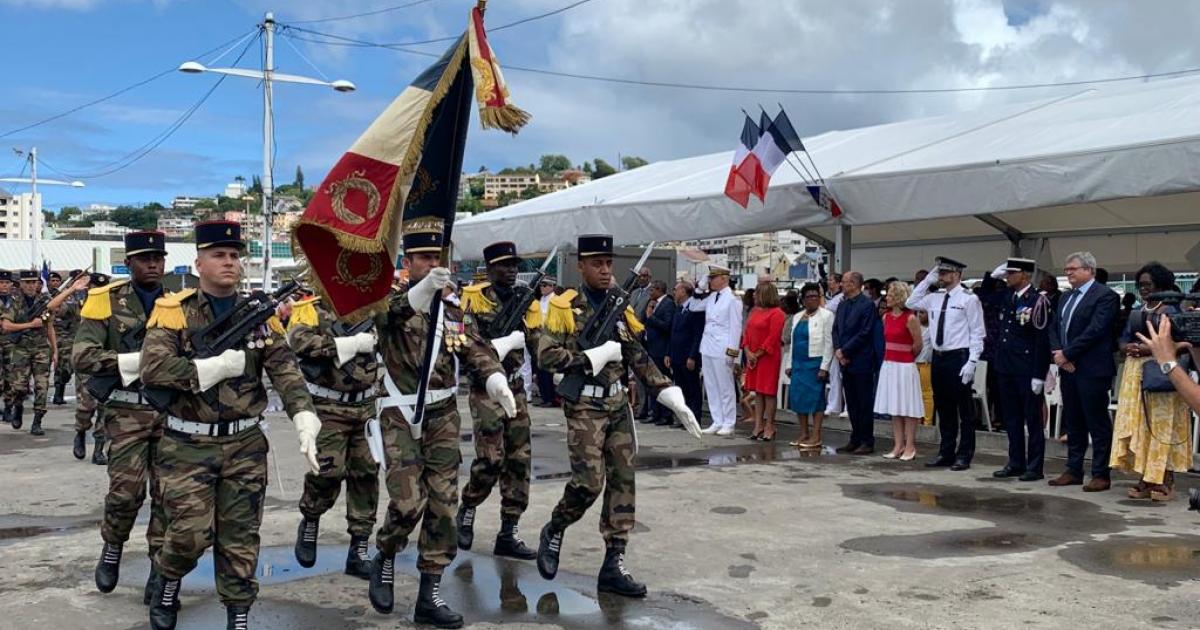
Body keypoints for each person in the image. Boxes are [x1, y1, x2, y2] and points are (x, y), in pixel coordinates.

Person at [139, 221, 322, 630]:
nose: (229, 262)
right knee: (188, 535)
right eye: (219, 255)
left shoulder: (259, 316)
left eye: (235, 255)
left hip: (244, 444)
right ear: (199, 262)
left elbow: (286, 371)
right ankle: (168, 580)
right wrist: (211, 368)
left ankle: (237, 615)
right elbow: (153, 369)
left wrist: (304, 416)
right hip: (187, 444)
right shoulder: (174, 311)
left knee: (241, 538)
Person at [367, 218, 514, 628]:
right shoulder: (391, 302)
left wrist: (495, 377)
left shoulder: (452, 307)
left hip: (442, 415)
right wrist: (423, 290)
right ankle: (386, 552)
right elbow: (388, 316)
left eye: (437, 256)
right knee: (408, 502)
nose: (433, 263)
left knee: (443, 506)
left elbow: (474, 348)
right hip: (399, 413)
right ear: (408, 261)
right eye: (424, 258)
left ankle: (429, 592)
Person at [535, 234, 699, 599]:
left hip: (617, 405)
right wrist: (589, 359)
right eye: (597, 264)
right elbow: (545, 356)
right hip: (584, 406)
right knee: (589, 482)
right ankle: (556, 526)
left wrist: (666, 391)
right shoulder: (565, 307)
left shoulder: (619, 306)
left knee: (623, 483)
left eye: (609, 263)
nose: (606, 270)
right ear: (581, 266)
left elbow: (636, 354)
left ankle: (613, 562)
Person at [72, 231, 170, 601]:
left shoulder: (179, 304)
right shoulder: (105, 302)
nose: (153, 264)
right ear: (128, 263)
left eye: (158, 258)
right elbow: (81, 356)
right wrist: (129, 362)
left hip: (168, 412)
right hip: (125, 411)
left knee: (168, 495)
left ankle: (159, 569)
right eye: (145, 258)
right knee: (126, 493)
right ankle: (113, 545)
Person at [455, 241, 542, 562]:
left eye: (514, 265)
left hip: (516, 388)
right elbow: (466, 344)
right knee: (490, 459)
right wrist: (502, 345)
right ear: (489, 269)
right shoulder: (473, 301)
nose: (510, 270)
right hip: (485, 390)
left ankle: (509, 531)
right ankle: (468, 506)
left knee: (519, 460)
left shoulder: (524, 299)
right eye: (503, 265)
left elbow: (538, 340)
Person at [287, 292, 381, 579]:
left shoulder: (375, 308)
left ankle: (359, 549)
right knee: (327, 472)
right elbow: (299, 341)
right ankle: (311, 517)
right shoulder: (311, 309)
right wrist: (346, 345)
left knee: (366, 474)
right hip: (328, 406)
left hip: (366, 405)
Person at [1111, 262, 1191, 501]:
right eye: (1141, 285)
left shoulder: (1172, 311)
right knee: (1141, 425)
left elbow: (1179, 344)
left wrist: (1148, 349)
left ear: (1161, 285)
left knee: (1160, 426)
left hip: (1163, 373)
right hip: (1136, 373)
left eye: (1148, 284)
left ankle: (1164, 479)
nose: (1143, 289)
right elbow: (1123, 339)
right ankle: (1145, 478)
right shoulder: (1137, 309)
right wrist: (1129, 347)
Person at [1047, 251, 1120, 492]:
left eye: (1073, 268)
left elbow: (1096, 329)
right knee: (1074, 420)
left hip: (1092, 367)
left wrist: (1068, 353)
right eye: (1066, 269)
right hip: (1068, 367)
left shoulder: (1105, 295)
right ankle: (1073, 469)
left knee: (1097, 421)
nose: (1068, 272)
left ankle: (1101, 473)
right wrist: (1059, 352)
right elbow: (1055, 325)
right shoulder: (1065, 297)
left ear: (1089, 270)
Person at [907, 257, 985, 471]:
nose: (941, 276)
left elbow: (977, 333)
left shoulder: (969, 299)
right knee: (944, 407)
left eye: (945, 273)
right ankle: (946, 452)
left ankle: (964, 454)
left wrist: (972, 361)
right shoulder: (934, 298)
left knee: (964, 410)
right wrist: (927, 280)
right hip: (939, 357)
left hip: (959, 356)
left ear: (957, 274)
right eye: (939, 273)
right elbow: (910, 302)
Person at [979, 259, 1051, 481]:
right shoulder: (1009, 297)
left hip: (1027, 369)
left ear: (1026, 275)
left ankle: (1035, 466)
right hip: (1006, 366)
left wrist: (1039, 374)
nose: (1008, 277)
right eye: (1007, 273)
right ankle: (1016, 462)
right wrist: (993, 275)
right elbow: (984, 296)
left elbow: (1042, 340)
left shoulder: (1038, 301)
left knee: (1033, 419)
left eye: (1012, 273)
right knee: (1011, 418)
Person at [1, 269, 75, 434]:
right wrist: (29, 325)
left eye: (34, 282)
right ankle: (18, 406)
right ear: (20, 284)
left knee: (42, 386)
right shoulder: (14, 302)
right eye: (27, 283)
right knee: (18, 387)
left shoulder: (44, 301)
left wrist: (55, 350)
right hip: (20, 349)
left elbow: (49, 327)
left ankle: (37, 421)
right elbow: (6, 326)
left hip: (41, 349)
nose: (31, 286)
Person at [832, 271, 883, 455]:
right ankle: (855, 437)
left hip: (861, 359)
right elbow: (836, 329)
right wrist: (839, 350)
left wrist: (846, 350)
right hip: (844, 360)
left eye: (844, 282)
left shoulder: (867, 305)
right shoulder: (843, 305)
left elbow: (865, 332)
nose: (841, 285)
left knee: (864, 402)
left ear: (853, 284)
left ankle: (867, 440)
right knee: (851, 402)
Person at [875, 281, 924, 460]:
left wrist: (907, 356)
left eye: (889, 294)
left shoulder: (911, 318)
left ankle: (910, 446)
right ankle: (898, 445)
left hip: (905, 366)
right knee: (895, 407)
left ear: (897, 297)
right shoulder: (885, 317)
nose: (886, 297)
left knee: (908, 407)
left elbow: (918, 344)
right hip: (889, 364)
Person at [692, 265, 743, 436]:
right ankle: (717, 420)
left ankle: (729, 422)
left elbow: (736, 329)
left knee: (725, 386)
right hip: (707, 346)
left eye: (713, 278)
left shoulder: (733, 299)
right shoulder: (712, 296)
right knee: (711, 385)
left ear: (724, 279)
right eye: (710, 278)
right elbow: (693, 306)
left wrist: (733, 356)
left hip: (723, 348)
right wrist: (700, 287)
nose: (711, 281)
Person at [785, 283, 832, 449]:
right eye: (809, 297)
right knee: (798, 398)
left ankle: (816, 435)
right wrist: (789, 364)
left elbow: (829, 343)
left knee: (816, 399)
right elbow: (793, 342)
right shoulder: (797, 317)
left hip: (815, 362)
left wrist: (824, 367)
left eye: (816, 297)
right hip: (799, 362)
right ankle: (804, 432)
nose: (813, 300)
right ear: (803, 300)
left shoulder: (826, 316)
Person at [741, 282, 786, 441]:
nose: (753, 295)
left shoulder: (777, 313)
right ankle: (758, 424)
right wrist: (747, 351)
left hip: (768, 357)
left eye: (757, 292)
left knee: (768, 392)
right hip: (753, 356)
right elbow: (746, 333)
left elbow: (773, 338)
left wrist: (757, 354)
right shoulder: (754, 311)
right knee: (758, 392)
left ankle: (770, 425)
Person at [75, 273, 109, 464]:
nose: (97, 291)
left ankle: (98, 449)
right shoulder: (80, 306)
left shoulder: (111, 307)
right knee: (86, 406)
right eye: (94, 287)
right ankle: (80, 431)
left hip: (106, 363)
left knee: (104, 408)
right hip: (86, 364)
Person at [666, 280, 704, 425]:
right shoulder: (678, 309)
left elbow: (697, 335)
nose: (674, 292)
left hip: (688, 356)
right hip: (676, 355)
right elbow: (673, 333)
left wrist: (692, 356)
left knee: (692, 388)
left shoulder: (694, 310)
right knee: (681, 389)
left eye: (676, 289)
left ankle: (695, 418)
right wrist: (669, 353)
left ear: (684, 291)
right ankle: (684, 418)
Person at [642, 280, 677, 426]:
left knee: (662, 382)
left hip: (661, 349)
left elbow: (667, 326)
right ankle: (654, 412)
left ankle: (666, 414)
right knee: (652, 383)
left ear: (659, 290)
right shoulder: (652, 304)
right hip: (651, 347)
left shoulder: (668, 304)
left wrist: (651, 317)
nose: (650, 294)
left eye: (651, 291)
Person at [48, 270, 75, 405]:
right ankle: (59, 393)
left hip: (79, 335)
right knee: (63, 366)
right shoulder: (59, 296)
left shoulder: (86, 295)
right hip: (62, 335)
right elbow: (60, 310)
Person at [534, 277, 560, 407]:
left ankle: (551, 398)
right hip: (538, 338)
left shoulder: (555, 301)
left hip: (550, 338)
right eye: (541, 285)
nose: (542, 288)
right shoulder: (541, 301)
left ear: (552, 286)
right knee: (540, 370)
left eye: (545, 285)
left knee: (548, 370)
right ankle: (544, 397)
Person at [823, 272, 846, 418]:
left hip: (842, 339)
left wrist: (820, 295)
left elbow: (825, 309)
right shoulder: (831, 297)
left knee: (844, 375)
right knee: (834, 374)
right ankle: (834, 405)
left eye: (831, 280)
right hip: (832, 338)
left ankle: (847, 406)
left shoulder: (840, 297)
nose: (829, 282)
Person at [0, 271, 12, 423]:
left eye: (6, 283)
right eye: (1, 283)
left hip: (12, 343)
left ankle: (8, 407)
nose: (3, 285)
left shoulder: (16, 301)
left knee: (10, 377)